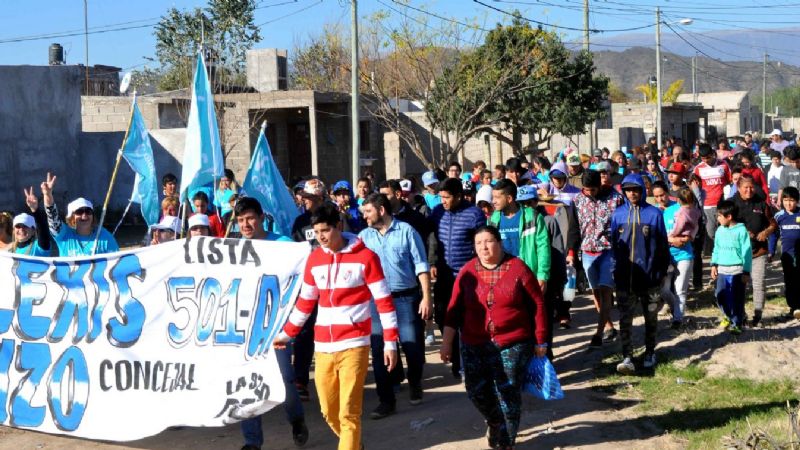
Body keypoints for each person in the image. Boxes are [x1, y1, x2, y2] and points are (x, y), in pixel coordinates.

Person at [275, 202, 398, 450]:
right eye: (317, 231)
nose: (321, 236)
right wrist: (286, 335)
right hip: (322, 348)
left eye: (325, 230)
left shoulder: (366, 257)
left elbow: (384, 302)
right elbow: (305, 303)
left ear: (339, 226)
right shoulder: (314, 260)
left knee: (349, 413)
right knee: (328, 410)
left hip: (355, 344)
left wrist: (390, 342)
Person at [441, 226, 548, 450]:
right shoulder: (467, 272)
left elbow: (537, 304)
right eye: (478, 243)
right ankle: (495, 421)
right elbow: (453, 309)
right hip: (474, 343)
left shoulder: (518, 268)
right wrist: (447, 342)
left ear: (499, 242)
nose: (484, 247)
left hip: (513, 343)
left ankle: (506, 442)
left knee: (508, 393)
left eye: (488, 241)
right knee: (476, 391)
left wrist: (540, 339)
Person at [235, 197, 308, 450]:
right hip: (244, 328)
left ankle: (296, 420)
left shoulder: (283, 245)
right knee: (246, 382)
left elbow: (300, 279)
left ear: (261, 217)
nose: (246, 224)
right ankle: (252, 442)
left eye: (250, 218)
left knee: (284, 379)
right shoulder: (231, 250)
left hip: (276, 326)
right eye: (241, 220)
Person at [359, 194, 432, 418]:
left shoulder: (407, 231)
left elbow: (421, 264)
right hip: (376, 303)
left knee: (412, 347)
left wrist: (426, 297)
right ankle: (386, 400)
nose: (364, 217)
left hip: (406, 299)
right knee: (379, 348)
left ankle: (415, 383)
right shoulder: (363, 237)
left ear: (381, 210)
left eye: (368, 212)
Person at [428, 178, 486, 379]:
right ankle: (453, 356)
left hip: (467, 277)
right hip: (444, 276)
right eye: (441, 197)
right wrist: (432, 261)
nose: (443, 201)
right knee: (443, 318)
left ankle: (464, 364)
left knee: (465, 321)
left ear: (459, 196)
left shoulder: (474, 214)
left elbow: (481, 244)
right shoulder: (437, 212)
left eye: (447, 197)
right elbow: (432, 238)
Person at [612, 174, 670, 374]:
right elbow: (614, 246)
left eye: (635, 189)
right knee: (625, 319)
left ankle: (650, 352)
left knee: (650, 317)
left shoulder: (654, 214)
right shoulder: (618, 215)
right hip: (624, 279)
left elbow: (663, 246)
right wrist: (615, 271)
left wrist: (662, 271)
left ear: (642, 190)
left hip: (650, 278)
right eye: (628, 190)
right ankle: (627, 356)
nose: (632, 193)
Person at [567, 170, 623, 348]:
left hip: (608, 250)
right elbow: (574, 228)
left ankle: (598, 334)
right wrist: (571, 252)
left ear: (600, 186)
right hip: (587, 252)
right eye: (586, 190)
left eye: (593, 189)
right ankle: (609, 327)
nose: (589, 193)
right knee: (596, 293)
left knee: (606, 290)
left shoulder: (616, 198)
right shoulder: (577, 201)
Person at [487, 180, 550, 290]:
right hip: (502, 277)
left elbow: (543, 247)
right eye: (493, 197)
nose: (493, 201)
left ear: (509, 199)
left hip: (528, 276)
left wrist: (542, 276)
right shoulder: (493, 220)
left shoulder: (533, 217)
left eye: (497, 198)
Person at [731, 175, 776, 327]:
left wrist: (766, 232)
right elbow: (723, 223)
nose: (749, 190)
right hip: (738, 253)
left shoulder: (761, 204)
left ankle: (758, 316)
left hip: (759, 251)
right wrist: (741, 230)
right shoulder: (732, 203)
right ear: (739, 188)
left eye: (752, 187)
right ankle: (740, 315)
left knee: (759, 283)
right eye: (746, 187)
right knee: (739, 285)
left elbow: (773, 224)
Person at [41, 172, 119, 256]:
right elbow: (52, 217)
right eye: (79, 212)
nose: (84, 215)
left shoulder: (104, 237)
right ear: (72, 217)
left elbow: (116, 262)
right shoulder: (64, 235)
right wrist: (48, 195)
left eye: (88, 211)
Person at [655, 184, 699, 329]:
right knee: (664, 289)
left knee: (680, 289)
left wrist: (690, 237)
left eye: (662, 195)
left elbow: (695, 223)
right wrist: (670, 239)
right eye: (656, 196)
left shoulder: (681, 206)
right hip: (665, 256)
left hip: (684, 254)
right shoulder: (655, 212)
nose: (660, 199)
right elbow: (654, 236)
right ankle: (677, 311)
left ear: (668, 193)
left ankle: (677, 319)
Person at [711, 200, 752, 335]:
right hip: (722, 270)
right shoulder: (719, 231)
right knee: (720, 295)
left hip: (737, 271)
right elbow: (716, 248)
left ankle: (737, 322)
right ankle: (728, 316)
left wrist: (746, 271)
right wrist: (714, 265)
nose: (717, 218)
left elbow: (747, 252)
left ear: (729, 217)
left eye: (719, 216)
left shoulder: (741, 231)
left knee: (736, 298)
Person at [693, 143, 732, 254]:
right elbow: (695, 186)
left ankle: (725, 253)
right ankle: (718, 252)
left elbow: (730, 181)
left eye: (708, 158)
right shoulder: (698, 169)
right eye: (703, 158)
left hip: (722, 204)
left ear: (712, 154)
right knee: (711, 232)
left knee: (725, 230)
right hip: (707, 205)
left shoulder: (723, 165)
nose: (706, 160)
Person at [774, 186, 800, 320]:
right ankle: (794, 307)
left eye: (792, 200)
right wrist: (771, 251)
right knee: (790, 281)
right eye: (785, 200)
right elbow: (773, 234)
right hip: (787, 256)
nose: (788, 203)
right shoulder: (779, 217)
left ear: (797, 201)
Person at [11, 186, 52, 256]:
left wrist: (35, 209)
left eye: (25, 226)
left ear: (33, 231)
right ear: (14, 230)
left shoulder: (39, 247)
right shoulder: (8, 252)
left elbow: (42, 227)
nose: (21, 229)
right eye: (18, 226)